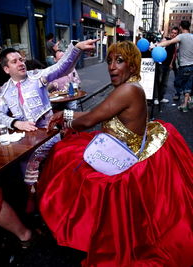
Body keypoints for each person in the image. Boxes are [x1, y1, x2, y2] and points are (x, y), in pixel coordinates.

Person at [38, 41, 193, 267]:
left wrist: (64, 117)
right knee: (66, 152)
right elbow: (94, 114)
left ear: (132, 66)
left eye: (119, 61)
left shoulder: (128, 90)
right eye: (110, 61)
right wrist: (69, 118)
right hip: (114, 145)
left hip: (122, 156)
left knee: (64, 157)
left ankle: (75, 224)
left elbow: (90, 119)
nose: (111, 66)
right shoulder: (129, 87)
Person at [0, 39, 98, 211]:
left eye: (21, 59)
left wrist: (76, 48)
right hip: (26, 140)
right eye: (15, 61)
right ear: (6, 69)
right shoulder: (5, 90)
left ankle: (39, 202)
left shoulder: (37, 77)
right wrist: (16, 122)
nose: (21, 63)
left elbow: (62, 67)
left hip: (49, 134)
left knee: (31, 161)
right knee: (19, 163)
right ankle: (37, 199)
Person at [157, 20, 193, 112]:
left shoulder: (181, 36)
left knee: (178, 82)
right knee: (188, 85)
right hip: (192, 66)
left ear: (181, 27)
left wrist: (157, 45)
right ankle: (186, 103)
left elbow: (169, 42)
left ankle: (186, 100)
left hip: (184, 66)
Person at [153, 26, 179, 105]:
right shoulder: (165, 40)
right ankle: (156, 98)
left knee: (164, 82)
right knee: (158, 81)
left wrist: (171, 63)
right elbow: (158, 48)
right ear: (170, 32)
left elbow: (174, 54)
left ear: (177, 34)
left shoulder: (175, 43)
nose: (173, 35)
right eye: (172, 33)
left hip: (168, 65)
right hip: (161, 64)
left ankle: (161, 97)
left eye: (175, 33)